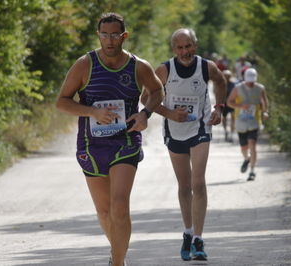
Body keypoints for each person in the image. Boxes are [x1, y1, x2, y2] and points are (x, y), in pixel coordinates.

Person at [55, 12, 164, 266]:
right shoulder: (85, 64)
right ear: (98, 36)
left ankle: (116, 263)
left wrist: (145, 113)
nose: (110, 40)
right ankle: (119, 256)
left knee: (119, 206)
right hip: (91, 145)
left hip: (125, 142)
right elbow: (62, 102)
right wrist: (93, 112)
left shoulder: (139, 66)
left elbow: (157, 90)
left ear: (124, 36)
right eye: (105, 35)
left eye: (115, 34)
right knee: (104, 212)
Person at [143, 28, 226, 261]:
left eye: (188, 46)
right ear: (173, 49)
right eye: (180, 47)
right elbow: (145, 98)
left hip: (200, 128)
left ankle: (199, 239)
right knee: (184, 185)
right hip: (174, 131)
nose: (185, 51)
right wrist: (169, 113)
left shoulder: (206, 67)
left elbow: (221, 81)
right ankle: (188, 233)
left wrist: (219, 108)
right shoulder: (164, 70)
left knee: (198, 183)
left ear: (195, 46)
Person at [226, 68, 269, 181]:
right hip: (240, 122)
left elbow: (265, 102)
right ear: (245, 78)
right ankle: (247, 158)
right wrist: (240, 106)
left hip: (254, 122)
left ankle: (252, 171)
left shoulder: (260, 88)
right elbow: (229, 102)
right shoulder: (238, 88)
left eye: (253, 80)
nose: (251, 82)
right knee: (244, 147)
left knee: (252, 145)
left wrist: (265, 112)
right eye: (249, 80)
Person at [222, 69, 237, 142]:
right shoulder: (220, 84)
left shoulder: (233, 84)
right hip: (223, 104)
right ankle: (226, 131)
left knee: (233, 118)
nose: (226, 77)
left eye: (228, 76)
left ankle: (232, 133)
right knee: (224, 118)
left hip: (231, 103)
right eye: (225, 76)